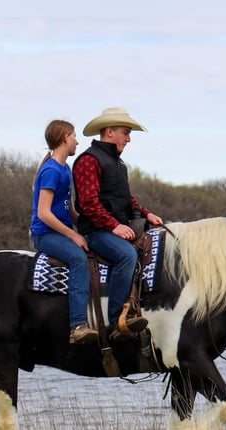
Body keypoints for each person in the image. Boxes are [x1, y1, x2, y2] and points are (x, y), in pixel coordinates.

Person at [72, 107, 163, 341]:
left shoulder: (119, 164)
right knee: (126, 255)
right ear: (110, 131)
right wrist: (113, 226)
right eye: (126, 132)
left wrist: (146, 213)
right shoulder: (88, 161)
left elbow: (125, 198)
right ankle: (116, 322)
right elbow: (88, 203)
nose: (129, 138)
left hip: (115, 227)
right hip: (96, 231)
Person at [30, 120, 99, 345]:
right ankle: (77, 325)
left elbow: (67, 208)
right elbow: (44, 213)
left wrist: (86, 225)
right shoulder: (51, 171)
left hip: (61, 231)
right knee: (78, 259)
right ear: (64, 138)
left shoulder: (65, 168)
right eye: (74, 136)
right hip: (45, 235)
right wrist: (73, 235)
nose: (77, 141)